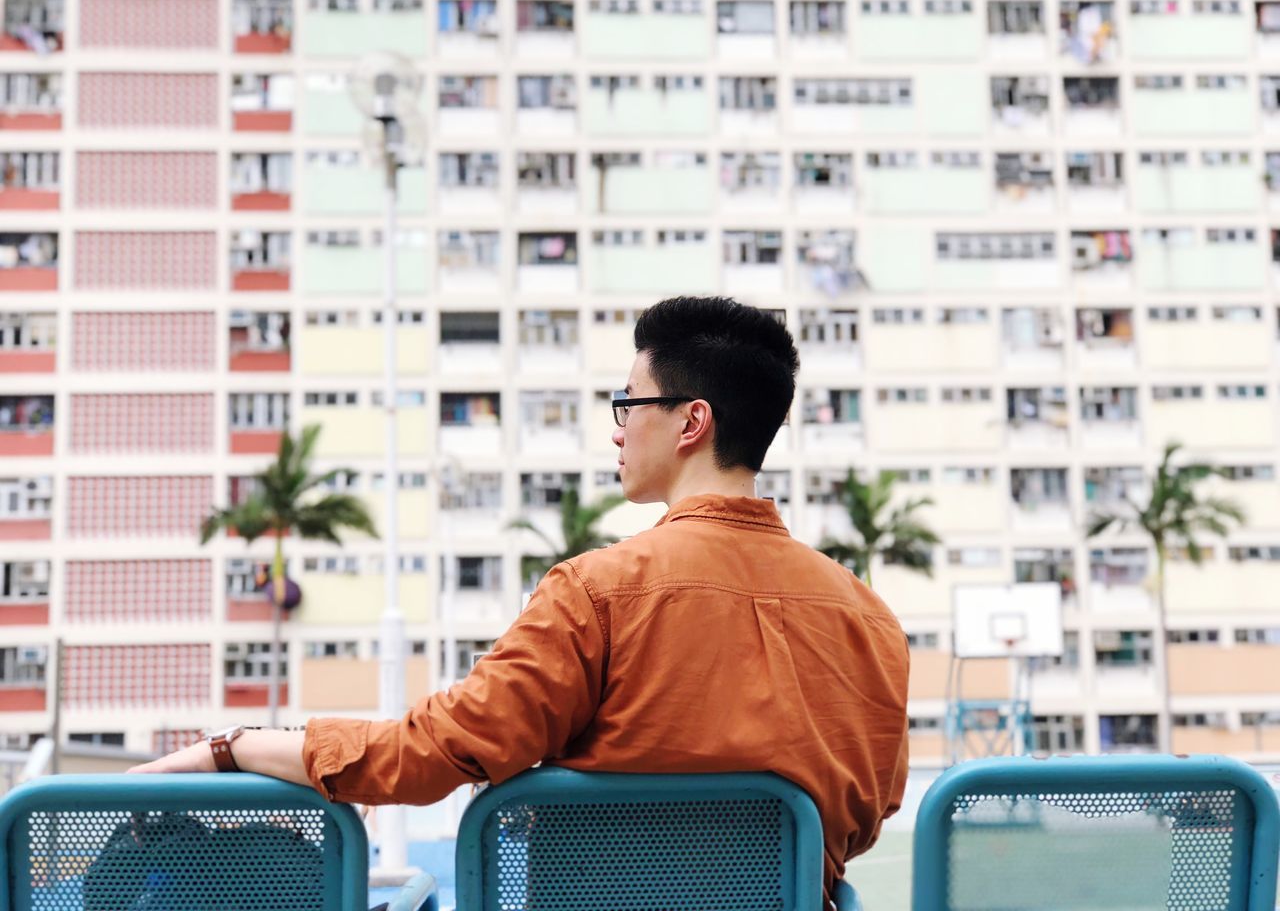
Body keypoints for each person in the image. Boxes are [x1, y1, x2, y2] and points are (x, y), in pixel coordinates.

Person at [133, 296, 909, 904]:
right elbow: (867, 816)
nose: (616, 430)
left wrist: (231, 746)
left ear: (690, 422)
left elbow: (432, 754)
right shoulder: (870, 623)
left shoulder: (600, 593)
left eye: (628, 404)